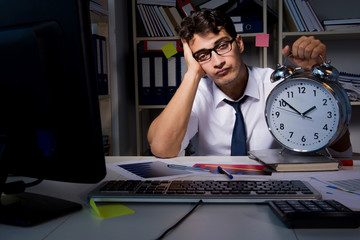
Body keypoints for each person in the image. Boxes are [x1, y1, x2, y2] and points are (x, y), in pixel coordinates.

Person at [147, 8, 351, 158]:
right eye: (203, 55)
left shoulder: (280, 87)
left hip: (276, 185)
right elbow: (163, 148)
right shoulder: (198, 93)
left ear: (240, 43)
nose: (217, 62)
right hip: (215, 191)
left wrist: (314, 80)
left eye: (222, 46)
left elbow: (341, 151)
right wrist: (192, 73)